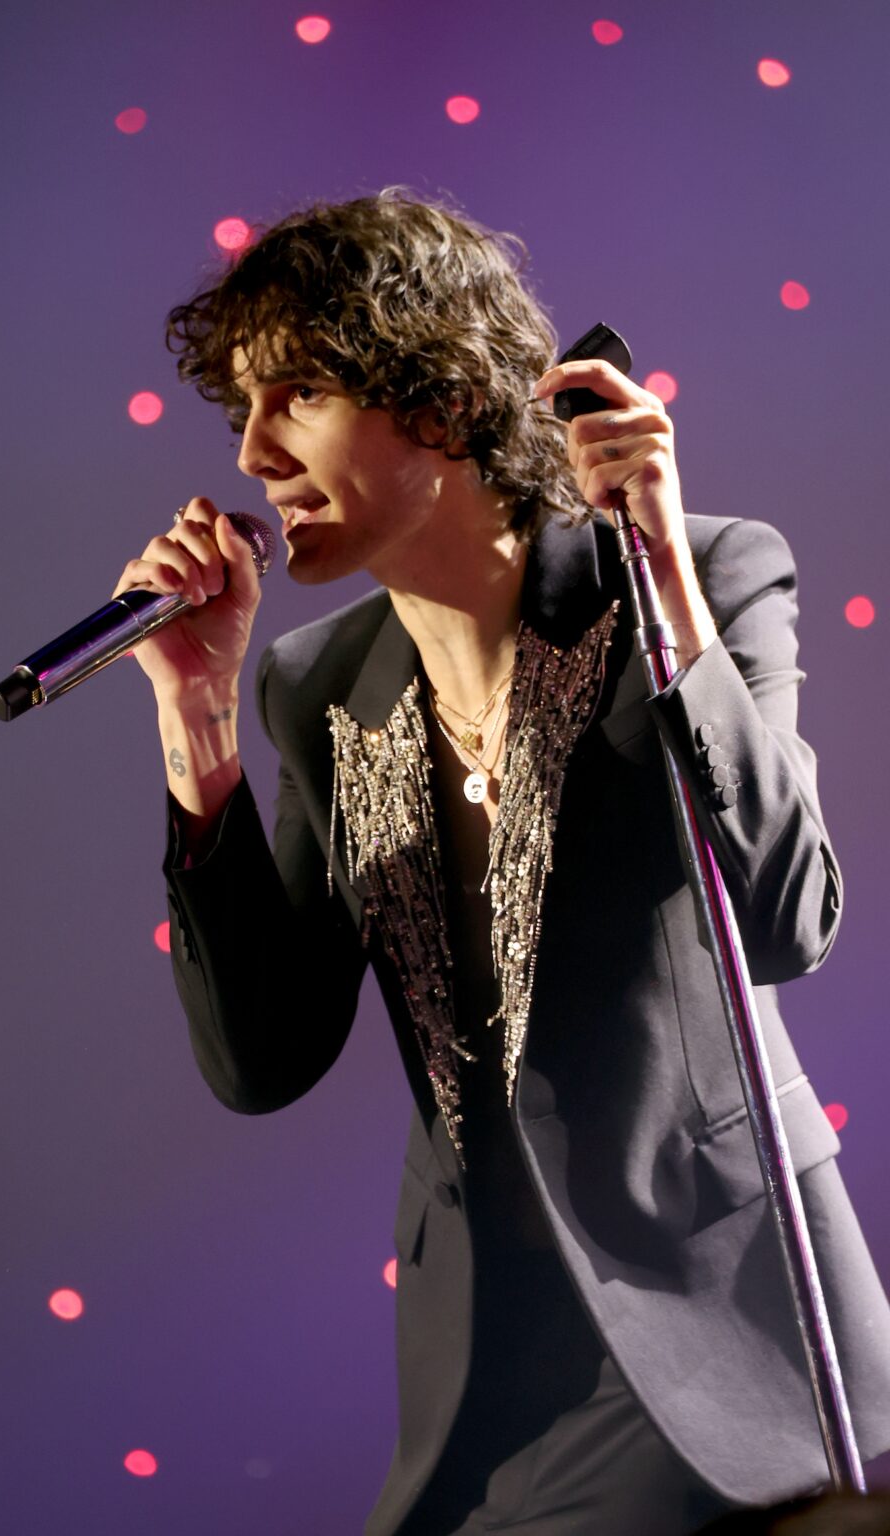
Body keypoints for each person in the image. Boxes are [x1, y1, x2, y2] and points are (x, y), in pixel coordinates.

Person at [112, 191, 890, 1535]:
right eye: (241, 408)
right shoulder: (321, 683)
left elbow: (786, 915)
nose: (251, 451)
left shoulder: (701, 574)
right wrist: (197, 720)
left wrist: (660, 571)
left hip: (729, 1331)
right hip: (491, 1376)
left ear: (443, 397)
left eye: (296, 395)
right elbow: (264, 1059)